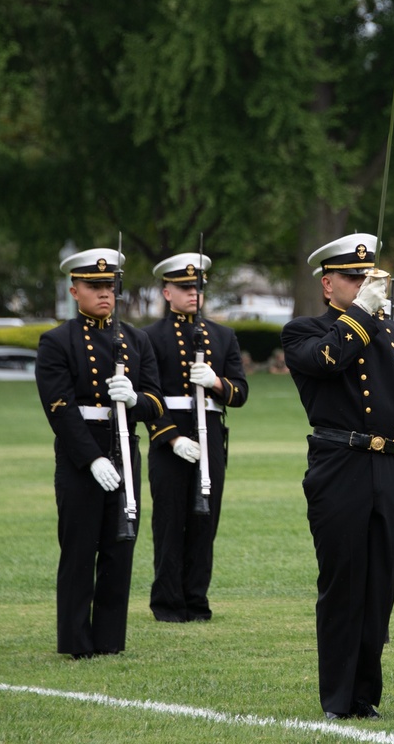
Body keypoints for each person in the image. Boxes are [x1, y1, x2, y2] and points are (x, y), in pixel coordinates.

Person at [281, 233, 394, 720]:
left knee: (381, 588)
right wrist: (361, 315)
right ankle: (338, 696)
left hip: (390, 470)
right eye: (354, 278)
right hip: (339, 466)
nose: (367, 285)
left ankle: (365, 694)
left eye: (373, 278)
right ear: (329, 285)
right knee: (344, 583)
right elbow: (328, 362)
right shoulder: (304, 332)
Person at [36, 247, 165, 659]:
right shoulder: (57, 340)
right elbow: (58, 406)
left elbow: (156, 403)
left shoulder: (135, 338)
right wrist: (91, 458)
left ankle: (110, 640)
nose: (104, 293)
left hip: (125, 448)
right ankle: (75, 641)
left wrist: (135, 399)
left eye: (109, 286)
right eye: (94, 286)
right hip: (81, 456)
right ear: (74, 290)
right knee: (78, 549)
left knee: (119, 547)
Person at [143, 253, 249, 623]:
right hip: (170, 441)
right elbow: (148, 395)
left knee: (205, 521)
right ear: (167, 292)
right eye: (185, 288)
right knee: (170, 520)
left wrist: (217, 382)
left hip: (211, 438)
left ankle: (196, 600)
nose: (193, 294)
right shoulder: (150, 338)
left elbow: (240, 393)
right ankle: (168, 603)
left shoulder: (222, 335)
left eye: (198, 288)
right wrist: (171, 438)